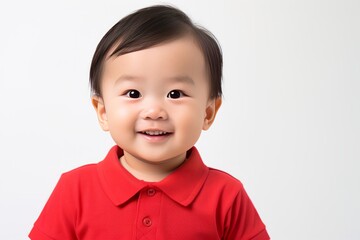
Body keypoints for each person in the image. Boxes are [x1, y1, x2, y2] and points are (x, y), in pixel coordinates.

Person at [29, 5, 270, 240]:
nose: (154, 111)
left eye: (175, 94)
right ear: (103, 111)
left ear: (208, 113)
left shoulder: (226, 196)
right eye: (133, 93)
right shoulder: (75, 190)